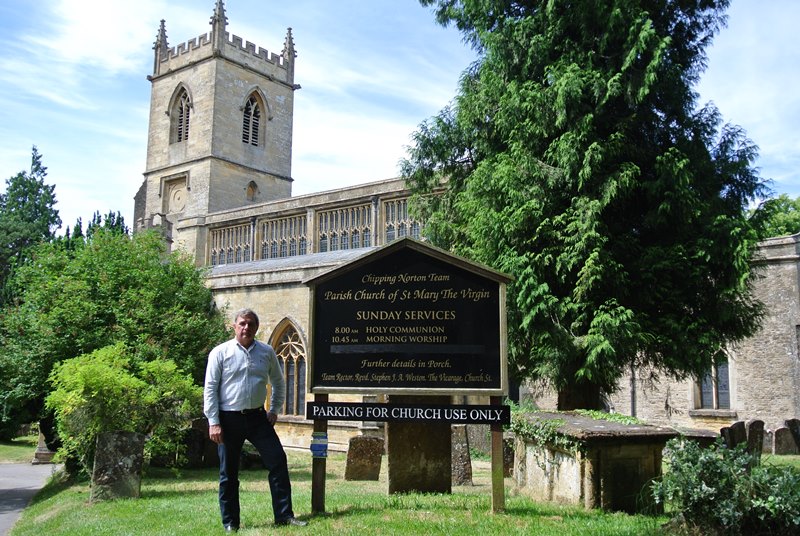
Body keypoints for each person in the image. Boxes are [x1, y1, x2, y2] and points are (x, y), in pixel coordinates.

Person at [204, 308, 307, 531]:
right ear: (234, 326)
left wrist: (275, 409)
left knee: (278, 461)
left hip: (258, 418)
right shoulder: (220, 353)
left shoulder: (266, 352)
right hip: (228, 418)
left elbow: (279, 382)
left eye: (250, 324)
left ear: (256, 327)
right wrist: (213, 421)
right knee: (228, 473)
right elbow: (210, 389)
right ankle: (231, 522)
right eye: (242, 323)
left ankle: (284, 516)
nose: (246, 328)